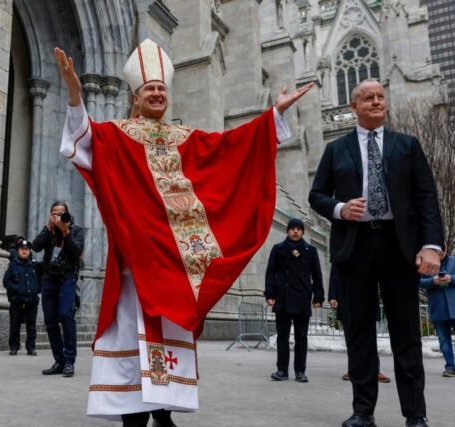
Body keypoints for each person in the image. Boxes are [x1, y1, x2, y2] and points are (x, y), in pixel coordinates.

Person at [55, 39, 313, 426]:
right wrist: (75, 94)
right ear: (136, 96)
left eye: (161, 88)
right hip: (136, 265)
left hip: (176, 268)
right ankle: (133, 417)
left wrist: (272, 116)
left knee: (168, 336)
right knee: (133, 342)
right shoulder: (117, 135)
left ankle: (162, 411)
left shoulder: (186, 139)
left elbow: (231, 147)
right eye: (149, 88)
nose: (157, 93)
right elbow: (82, 138)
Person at [309, 79, 444, 427]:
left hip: (399, 247)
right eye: (368, 98)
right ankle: (363, 411)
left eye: (380, 97)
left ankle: (415, 414)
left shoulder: (407, 146)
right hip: (355, 247)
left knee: (406, 334)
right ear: (354, 106)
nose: (376, 102)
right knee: (359, 334)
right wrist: (340, 208)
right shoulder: (336, 150)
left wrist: (431, 246)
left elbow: (426, 198)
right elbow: (316, 195)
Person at [265, 218, 324, 383]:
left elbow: (317, 275)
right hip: (282, 297)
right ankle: (282, 370)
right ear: (287, 231)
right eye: (292, 228)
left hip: (302, 297)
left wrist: (318, 297)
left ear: (303, 231)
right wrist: (270, 294)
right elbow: (270, 273)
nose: (295, 231)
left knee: (301, 337)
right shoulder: (278, 249)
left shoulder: (310, 250)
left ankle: (300, 371)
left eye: (298, 229)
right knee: (282, 337)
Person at [32, 201, 84, 378]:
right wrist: (48, 228)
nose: (58, 216)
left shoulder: (76, 230)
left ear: (67, 214)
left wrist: (66, 231)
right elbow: (35, 246)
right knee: (50, 320)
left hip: (68, 277)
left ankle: (69, 361)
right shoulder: (49, 231)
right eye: (54, 213)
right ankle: (59, 361)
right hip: (49, 278)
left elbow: (77, 252)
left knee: (65, 315)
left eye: (61, 213)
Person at [328, 266, 391, 384]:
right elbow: (335, 272)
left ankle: (375, 371)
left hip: (367, 297)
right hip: (346, 297)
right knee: (351, 338)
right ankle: (353, 370)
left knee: (370, 338)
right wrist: (333, 296)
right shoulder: (342, 253)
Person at [418, 246, 455, 377]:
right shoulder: (426, 265)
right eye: (435, 251)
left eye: (440, 251)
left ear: (445, 250)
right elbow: (419, 282)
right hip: (438, 308)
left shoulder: (454, 261)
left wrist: (451, 279)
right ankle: (450, 367)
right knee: (444, 340)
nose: (438, 254)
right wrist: (433, 281)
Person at [3, 239, 40, 356]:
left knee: (31, 326)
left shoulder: (34, 266)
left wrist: (37, 289)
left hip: (32, 301)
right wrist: (17, 289)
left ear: (29, 251)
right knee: (15, 325)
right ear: (18, 251)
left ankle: (31, 348)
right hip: (17, 300)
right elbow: (6, 282)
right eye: (22, 249)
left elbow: (41, 280)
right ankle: (14, 347)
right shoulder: (13, 265)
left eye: (26, 250)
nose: (24, 251)